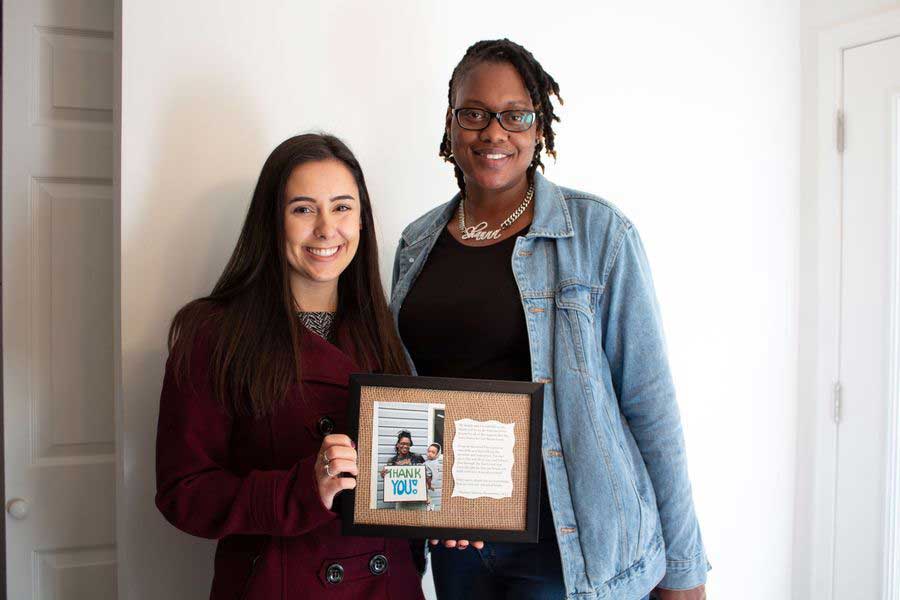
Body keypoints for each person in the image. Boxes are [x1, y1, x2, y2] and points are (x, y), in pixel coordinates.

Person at [390, 40, 709, 600]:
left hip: (571, 550)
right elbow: (411, 403)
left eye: (515, 115)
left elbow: (651, 407)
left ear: (538, 129)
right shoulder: (416, 245)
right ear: (451, 123)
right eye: (475, 113)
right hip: (459, 547)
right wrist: (419, 505)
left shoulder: (599, 235)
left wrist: (684, 573)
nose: (494, 133)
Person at [155, 133, 425, 600]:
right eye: (303, 209)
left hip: (388, 585)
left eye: (342, 207)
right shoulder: (212, 334)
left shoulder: (386, 328)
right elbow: (183, 492)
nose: (326, 229)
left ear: (362, 220)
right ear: (272, 221)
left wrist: (449, 511)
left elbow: (403, 479)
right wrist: (302, 491)